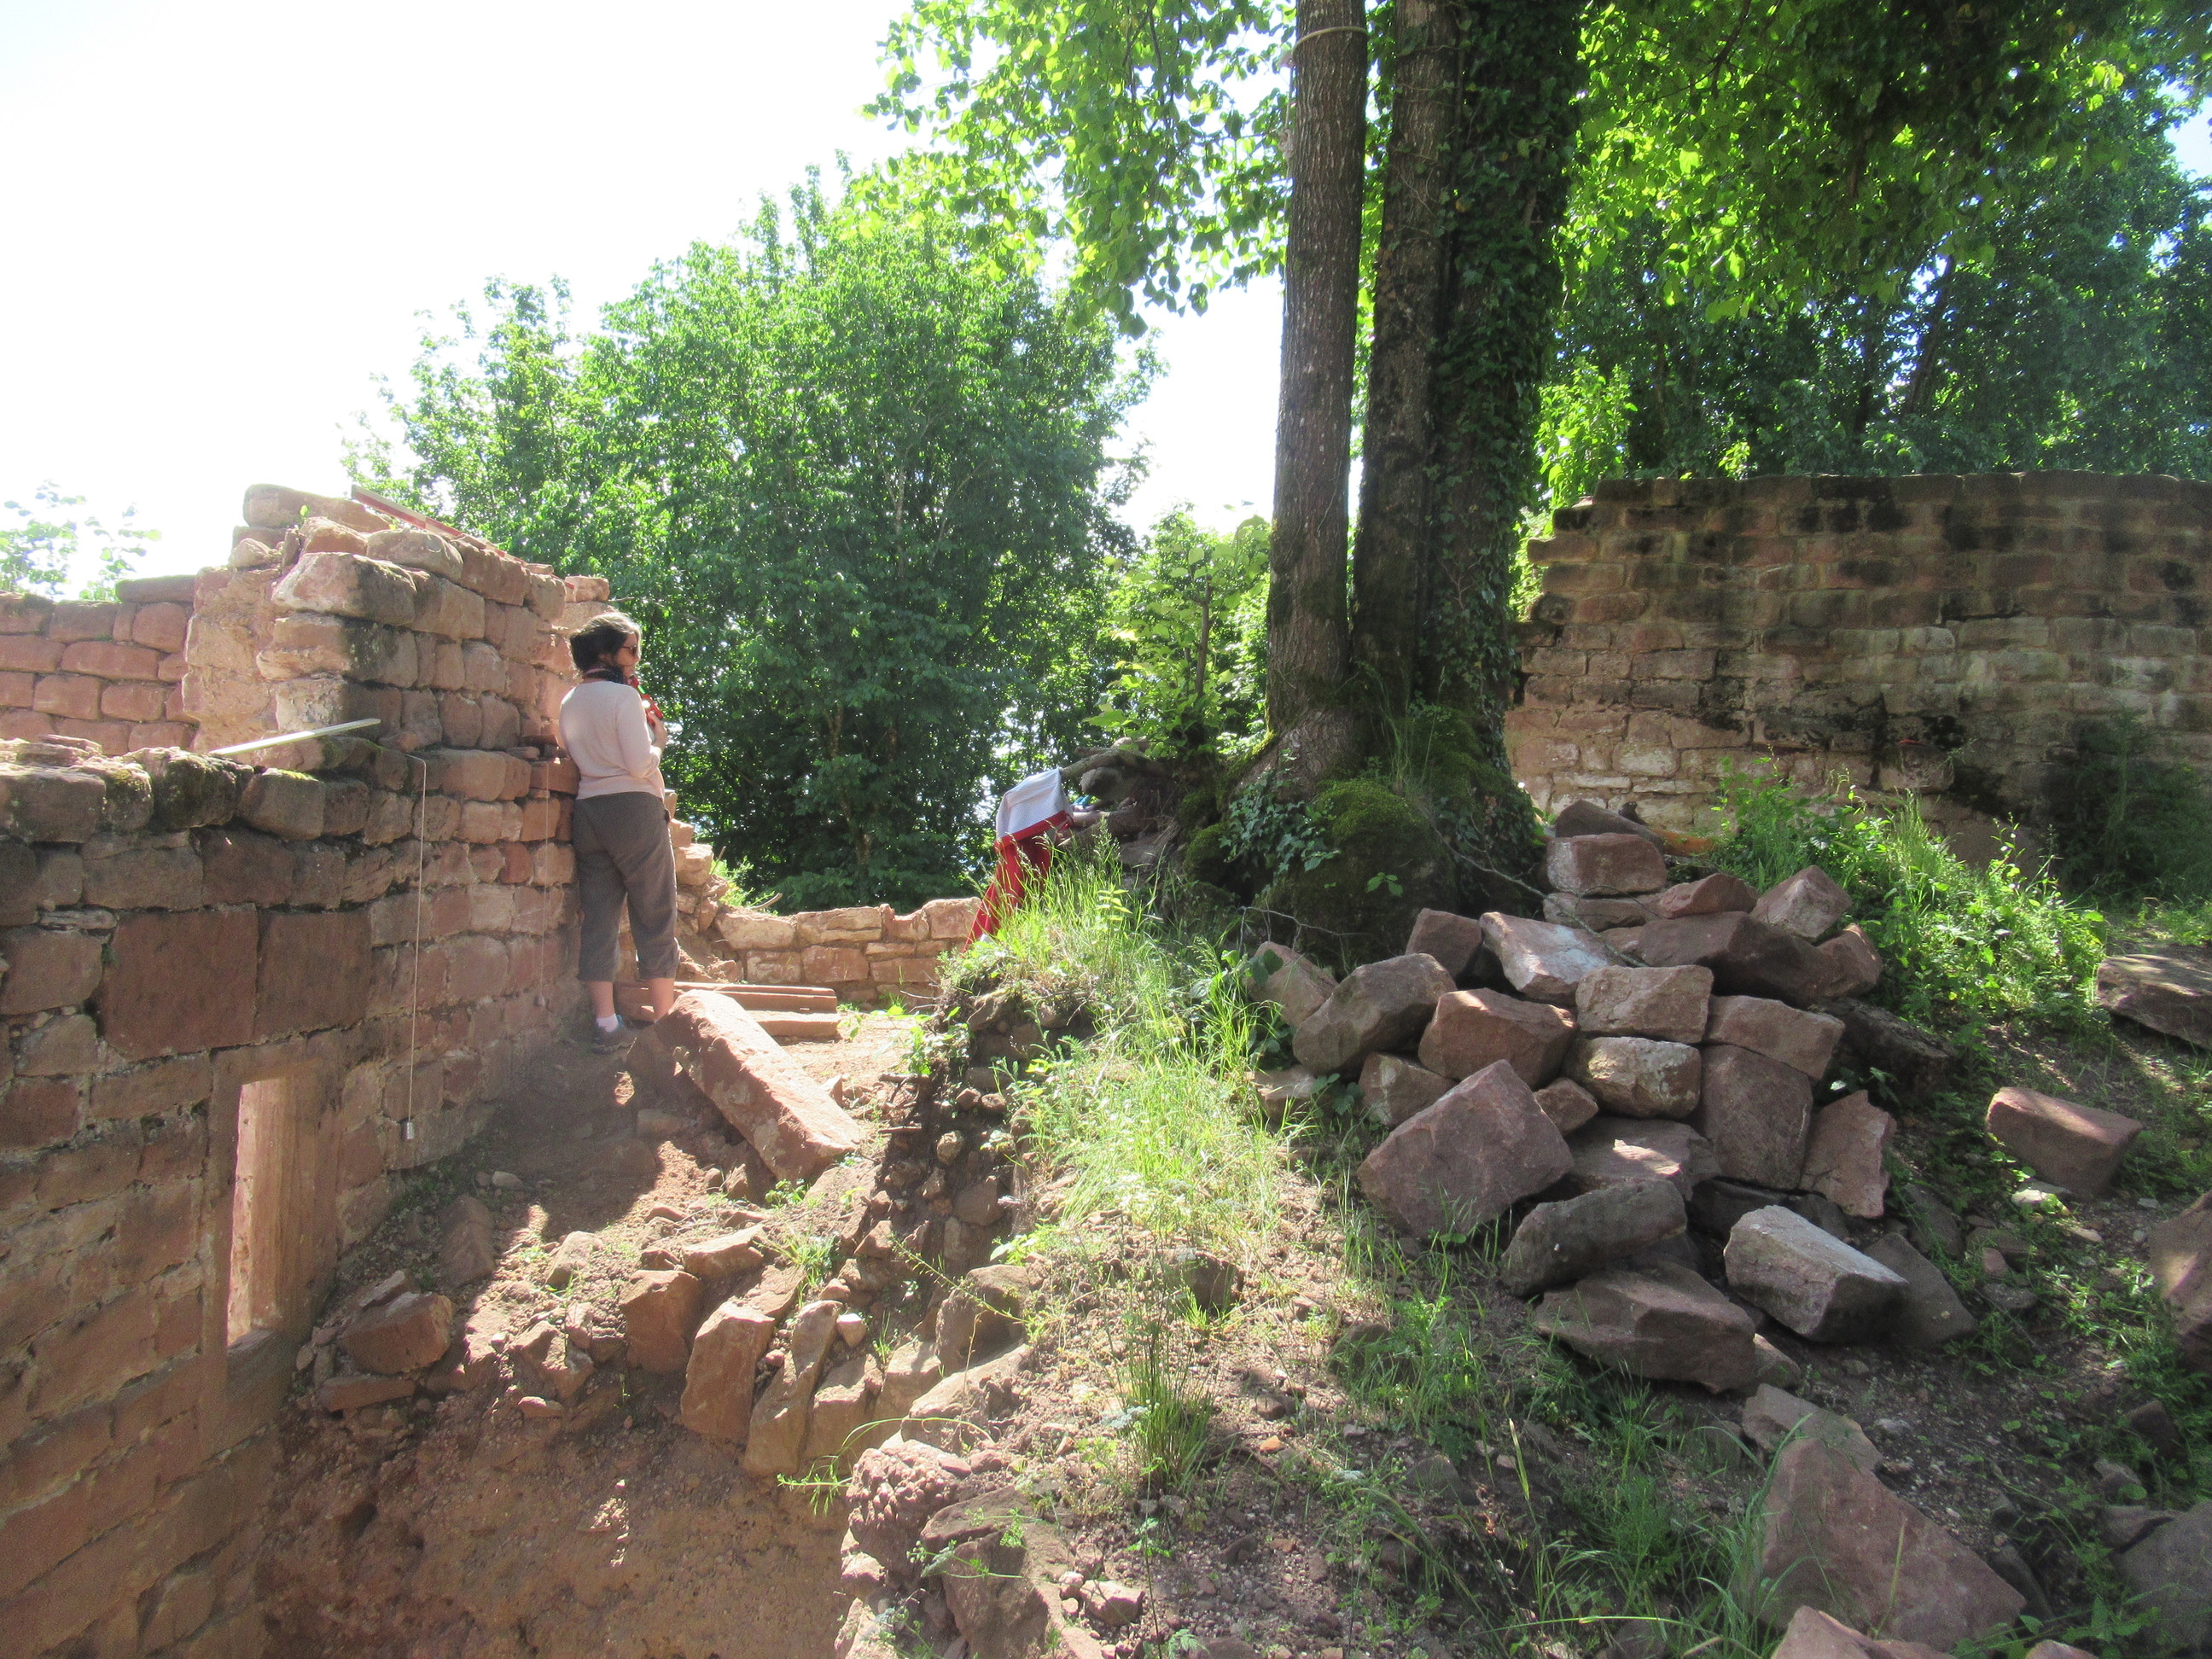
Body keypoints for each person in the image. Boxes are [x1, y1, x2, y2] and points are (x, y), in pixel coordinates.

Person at [559, 611, 678, 1053]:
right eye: (631, 649)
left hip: (588, 811)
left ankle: (605, 1024)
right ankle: (666, 1026)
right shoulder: (624, 698)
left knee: (599, 917)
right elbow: (639, 763)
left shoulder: (570, 700)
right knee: (655, 912)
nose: (637, 657)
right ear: (606, 653)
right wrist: (659, 742)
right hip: (632, 809)